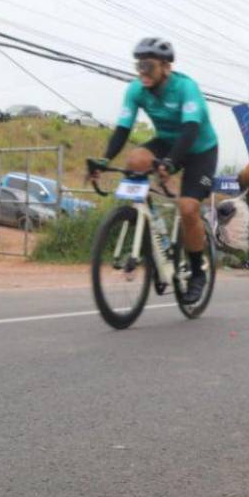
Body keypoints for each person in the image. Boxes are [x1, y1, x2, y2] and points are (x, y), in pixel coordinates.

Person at [93, 37, 218, 304]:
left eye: (148, 66)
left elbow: (190, 130)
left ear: (166, 67)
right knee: (135, 160)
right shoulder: (136, 90)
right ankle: (148, 224)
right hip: (167, 142)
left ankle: (198, 272)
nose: (143, 72)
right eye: (139, 66)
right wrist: (104, 160)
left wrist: (170, 162)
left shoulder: (186, 88)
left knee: (188, 208)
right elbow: (123, 129)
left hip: (199, 149)